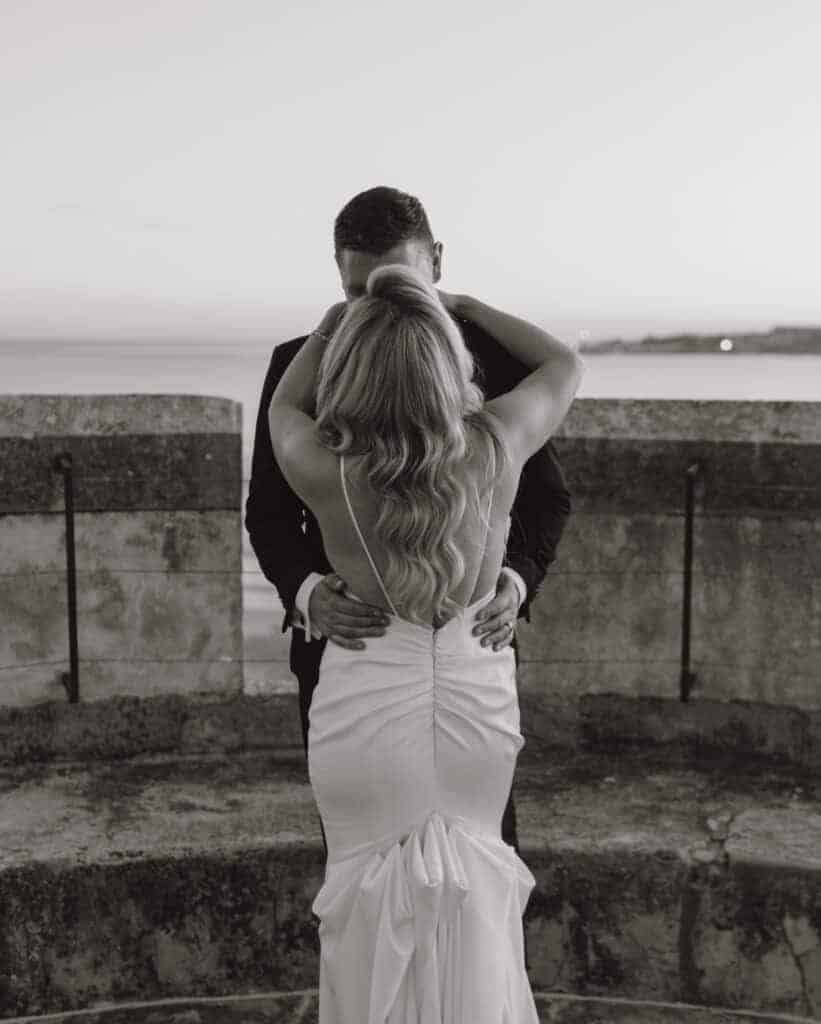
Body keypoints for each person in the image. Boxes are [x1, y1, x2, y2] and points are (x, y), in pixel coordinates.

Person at [268, 262, 584, 1022]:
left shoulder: (324, 464)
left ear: (354, 368)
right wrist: (462, 303)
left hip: (367, 702)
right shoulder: (500, 441)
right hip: (475, 697)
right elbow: (563, 364)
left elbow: (284, 399)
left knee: (370, 910)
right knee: (474, 904)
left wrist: (337, 318)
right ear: (448, 358)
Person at [244, 187, 572, 883]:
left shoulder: (490, 366)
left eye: (392, 284)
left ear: (438, 265)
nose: (376, 306)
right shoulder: (499, 423)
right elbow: (267, 515)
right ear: (338, 279)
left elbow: (548, 503)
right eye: (357, 291)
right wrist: (307, 593)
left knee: (476, 853)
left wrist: (514, 583)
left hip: (468, 645)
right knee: (371, 859)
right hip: (348, 642)